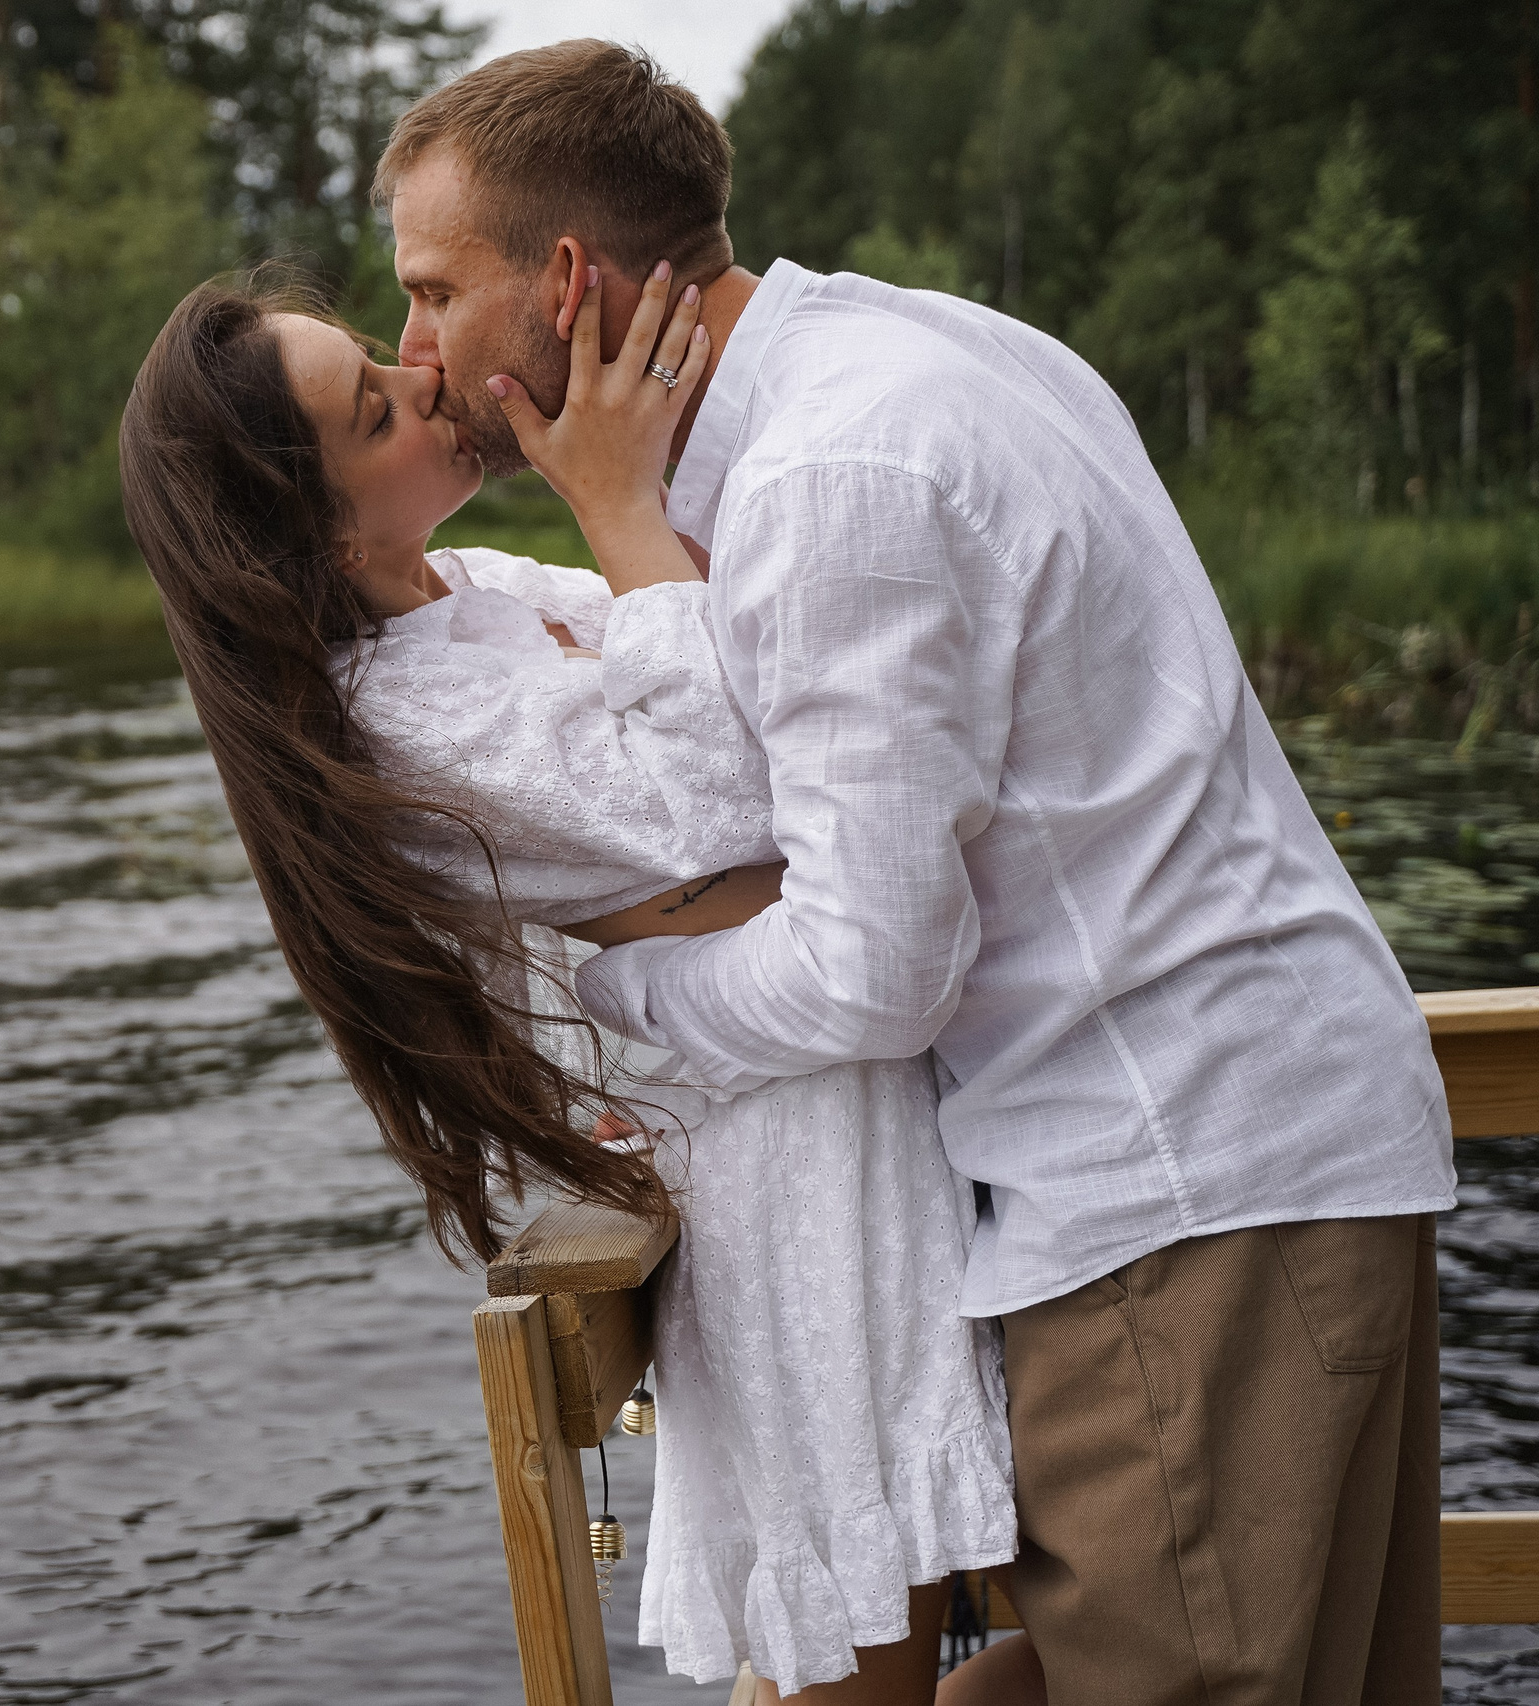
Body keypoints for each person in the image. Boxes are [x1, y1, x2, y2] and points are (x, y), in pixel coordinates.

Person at [373, 38, 1457, 1706]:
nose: (418, 344)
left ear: (567, 280)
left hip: (1173, 1202)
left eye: (436, 288)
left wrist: (608, 987)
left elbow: (874, 972)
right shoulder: (920, 343)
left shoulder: (829, 483)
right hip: (1274, 1151)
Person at [118, 266, 1018, 1701]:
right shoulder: (394, 721)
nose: (422, 375)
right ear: (318, 531)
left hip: (841, 1084)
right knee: (869, 1638)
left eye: (375, 351)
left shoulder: (469, 593)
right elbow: (730, 785)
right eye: (374, 409)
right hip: (792, 1163)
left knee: (959, 1613)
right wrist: (617, 500)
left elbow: (754, 703)